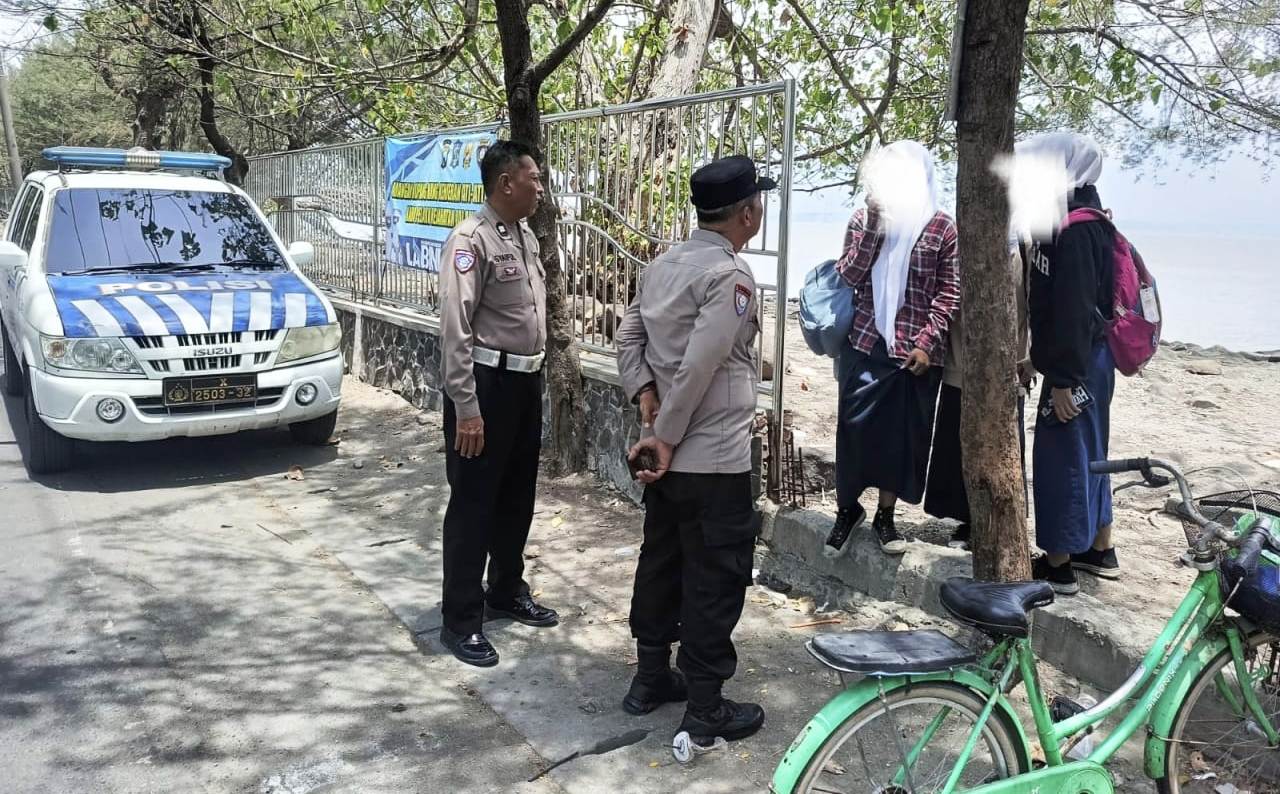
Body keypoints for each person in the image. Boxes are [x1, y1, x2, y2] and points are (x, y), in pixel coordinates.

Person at [616, 155, 774, 745]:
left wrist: (645, 397)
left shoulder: (662, 266)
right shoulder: (730, 277)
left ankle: (651, 678)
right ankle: (705, 705)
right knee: (716, 577)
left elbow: (628, 335)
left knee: (662, 562)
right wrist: (664, 433)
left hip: (669, 460)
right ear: (747, 212)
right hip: (711, 459)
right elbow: (703, 362)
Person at [437, 140, 559, 666]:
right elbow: (456, 328)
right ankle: (461, 619)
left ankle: (505, 589)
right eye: (533, 178)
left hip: (524, 386)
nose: (540, 187)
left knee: (516, 496)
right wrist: (466, 406)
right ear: (506, 182)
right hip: (484, 387)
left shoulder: (525, 235)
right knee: (473, 503)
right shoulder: (470, 240)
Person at [825, 141, 960, 556]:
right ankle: (848, 509)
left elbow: (949, 292)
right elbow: (847, 274)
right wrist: (875, 225)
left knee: (902, 438)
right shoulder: (864, 219)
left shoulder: (941, 227)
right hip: (865, 343)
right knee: (854, 430)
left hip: (914, 356)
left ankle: (886, 516)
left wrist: (926, 342)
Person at [1021, 133, 1121, 595]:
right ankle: (1099, 550)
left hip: (1077, 362)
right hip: (1084, 359)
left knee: (1060, 454)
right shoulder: (1074, 217)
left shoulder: (1078, 227)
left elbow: (1075, 308)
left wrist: (1063, 379)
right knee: (1090, 451)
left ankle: (1059, 564)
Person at [924, 239, 1033, 551]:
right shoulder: (962, 242)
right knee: (956, 441)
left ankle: (999, 525)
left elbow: (1033, 307)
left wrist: (1031, 362)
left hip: (1008, 370)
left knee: (1002, 448)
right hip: (961, 365)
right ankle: (965, 520)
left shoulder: (1024, 248)